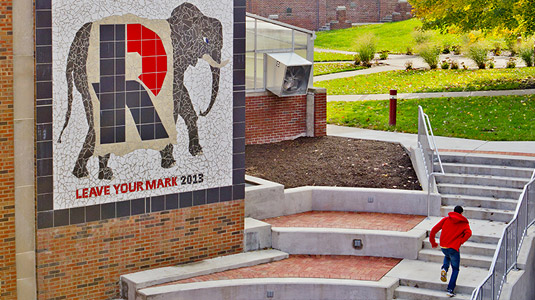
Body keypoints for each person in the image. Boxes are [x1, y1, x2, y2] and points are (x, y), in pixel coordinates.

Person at [429, 205, 472, 297]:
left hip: (444, 246)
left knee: (447, 255)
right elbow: (469, 233)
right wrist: (461, 241)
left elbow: (433, 230)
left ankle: (444, 268)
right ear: (461, 213)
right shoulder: (464, 223)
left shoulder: (446, 219)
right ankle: (450, 290)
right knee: (455, 269)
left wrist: (433, 243)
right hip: (454, 247)